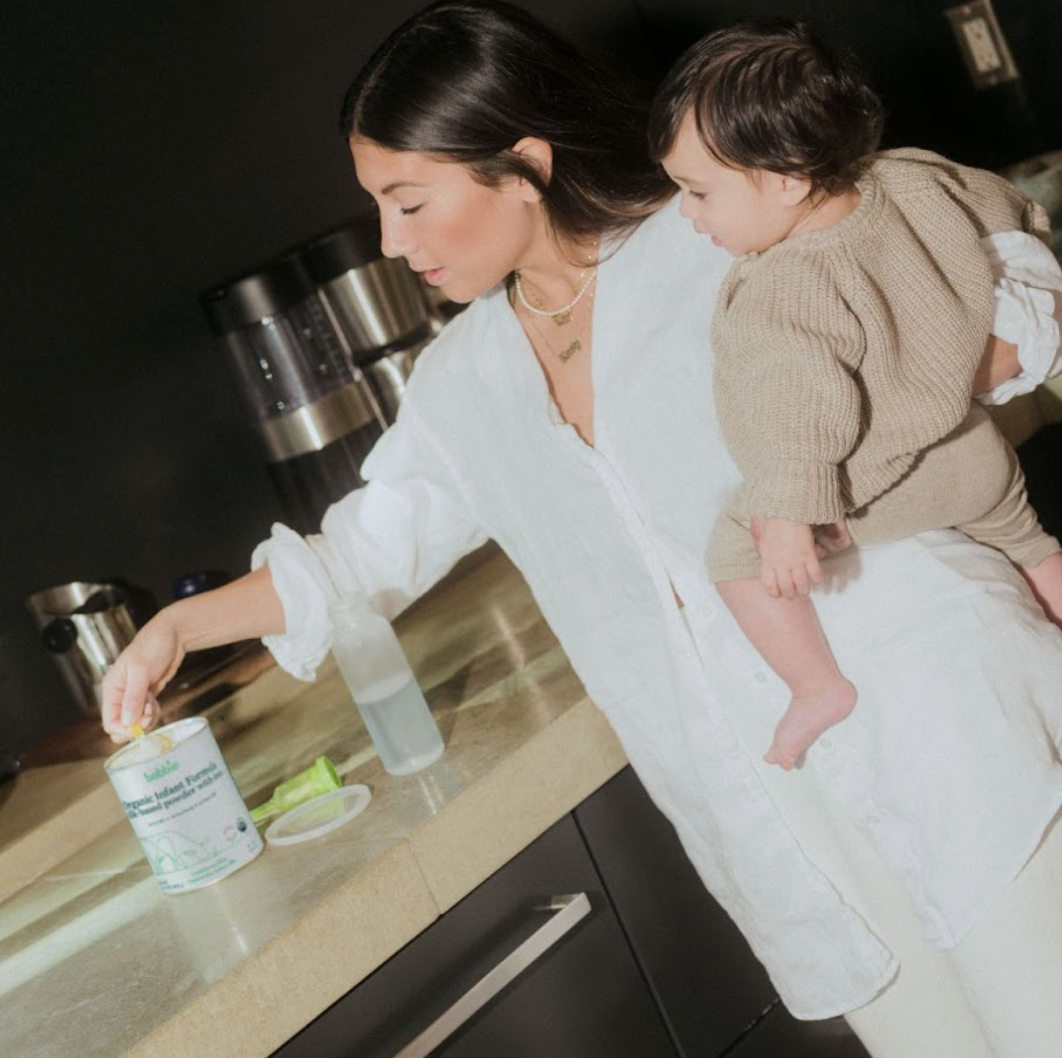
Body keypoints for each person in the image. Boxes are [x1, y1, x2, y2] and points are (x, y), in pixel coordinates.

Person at [101, 3, 1062, 1056]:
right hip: (780, 810)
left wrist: (914, 397)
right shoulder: (464, 380)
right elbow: (360, 551)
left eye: (410, 201)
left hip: (944, 708)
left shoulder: (714, 233)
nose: (390, 240)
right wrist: (180, 630)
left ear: (522, 165)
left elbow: (997, 263)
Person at [646, 18, 1062, 770]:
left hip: (889, 482)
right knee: (1033, 546)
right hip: (980, 457)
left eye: (698, 191)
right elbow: (1008, 211)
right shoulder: (911, 176)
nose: (687, 213)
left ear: (784, 180)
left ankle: (814, 687)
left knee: (729, 550)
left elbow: (800, 411)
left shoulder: (784, 288)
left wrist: (787, 514)